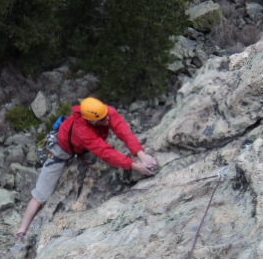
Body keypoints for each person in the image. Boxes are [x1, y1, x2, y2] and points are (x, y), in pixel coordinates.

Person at [16, 97, 158, 240]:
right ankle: (22, 230)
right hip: (60, 152)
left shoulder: (106, 112)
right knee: (41, 196)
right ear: (92, 121)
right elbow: (105, 152)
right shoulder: (82, 129)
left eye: (106, 115)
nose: (108, 119)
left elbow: (124, 132)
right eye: (103, 119)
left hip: (81, 149)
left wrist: (141, 153)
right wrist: (135, 166)